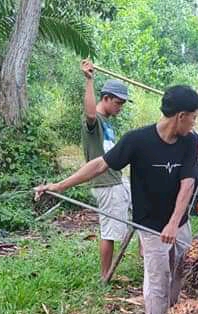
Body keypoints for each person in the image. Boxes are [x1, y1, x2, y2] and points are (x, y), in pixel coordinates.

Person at [34, 86, 198, 314]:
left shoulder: (190, 141)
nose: (195, 123)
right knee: (158, 280)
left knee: (180, 272)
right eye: (194, 117)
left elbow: (187, 184)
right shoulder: (137, 140)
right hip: (151, 224)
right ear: (181, 116)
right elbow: (100, 165)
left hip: (179, 222)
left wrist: (174, 222)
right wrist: (60, 185)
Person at [80, 59, 131, 283]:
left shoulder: (109, 122)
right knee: (109, 231)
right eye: (118, 103)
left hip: (117, 180)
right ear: (106, 98)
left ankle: (135, 257)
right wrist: (89, 80)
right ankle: (105, 276)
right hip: (105, 183)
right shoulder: (96, 122)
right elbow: (90, 114)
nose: (120, 108)